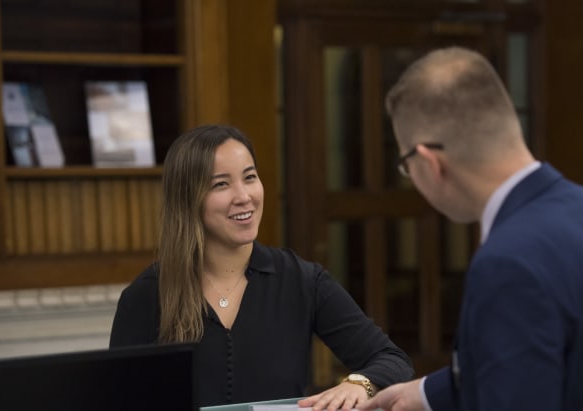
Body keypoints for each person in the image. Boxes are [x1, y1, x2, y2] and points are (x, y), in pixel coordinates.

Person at [359, 47, 583, 411]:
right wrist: (428, 393)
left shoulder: (508, 262)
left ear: (431, 164)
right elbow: (575, 360)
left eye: (405, 165)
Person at [110, 124, 414, 409]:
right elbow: (116, 400)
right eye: (221, 184)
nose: (244, 197)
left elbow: (391, 360)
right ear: (188, 200)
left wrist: (360, 385)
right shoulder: (147, 295)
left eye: (250, 177)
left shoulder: (303, 280)